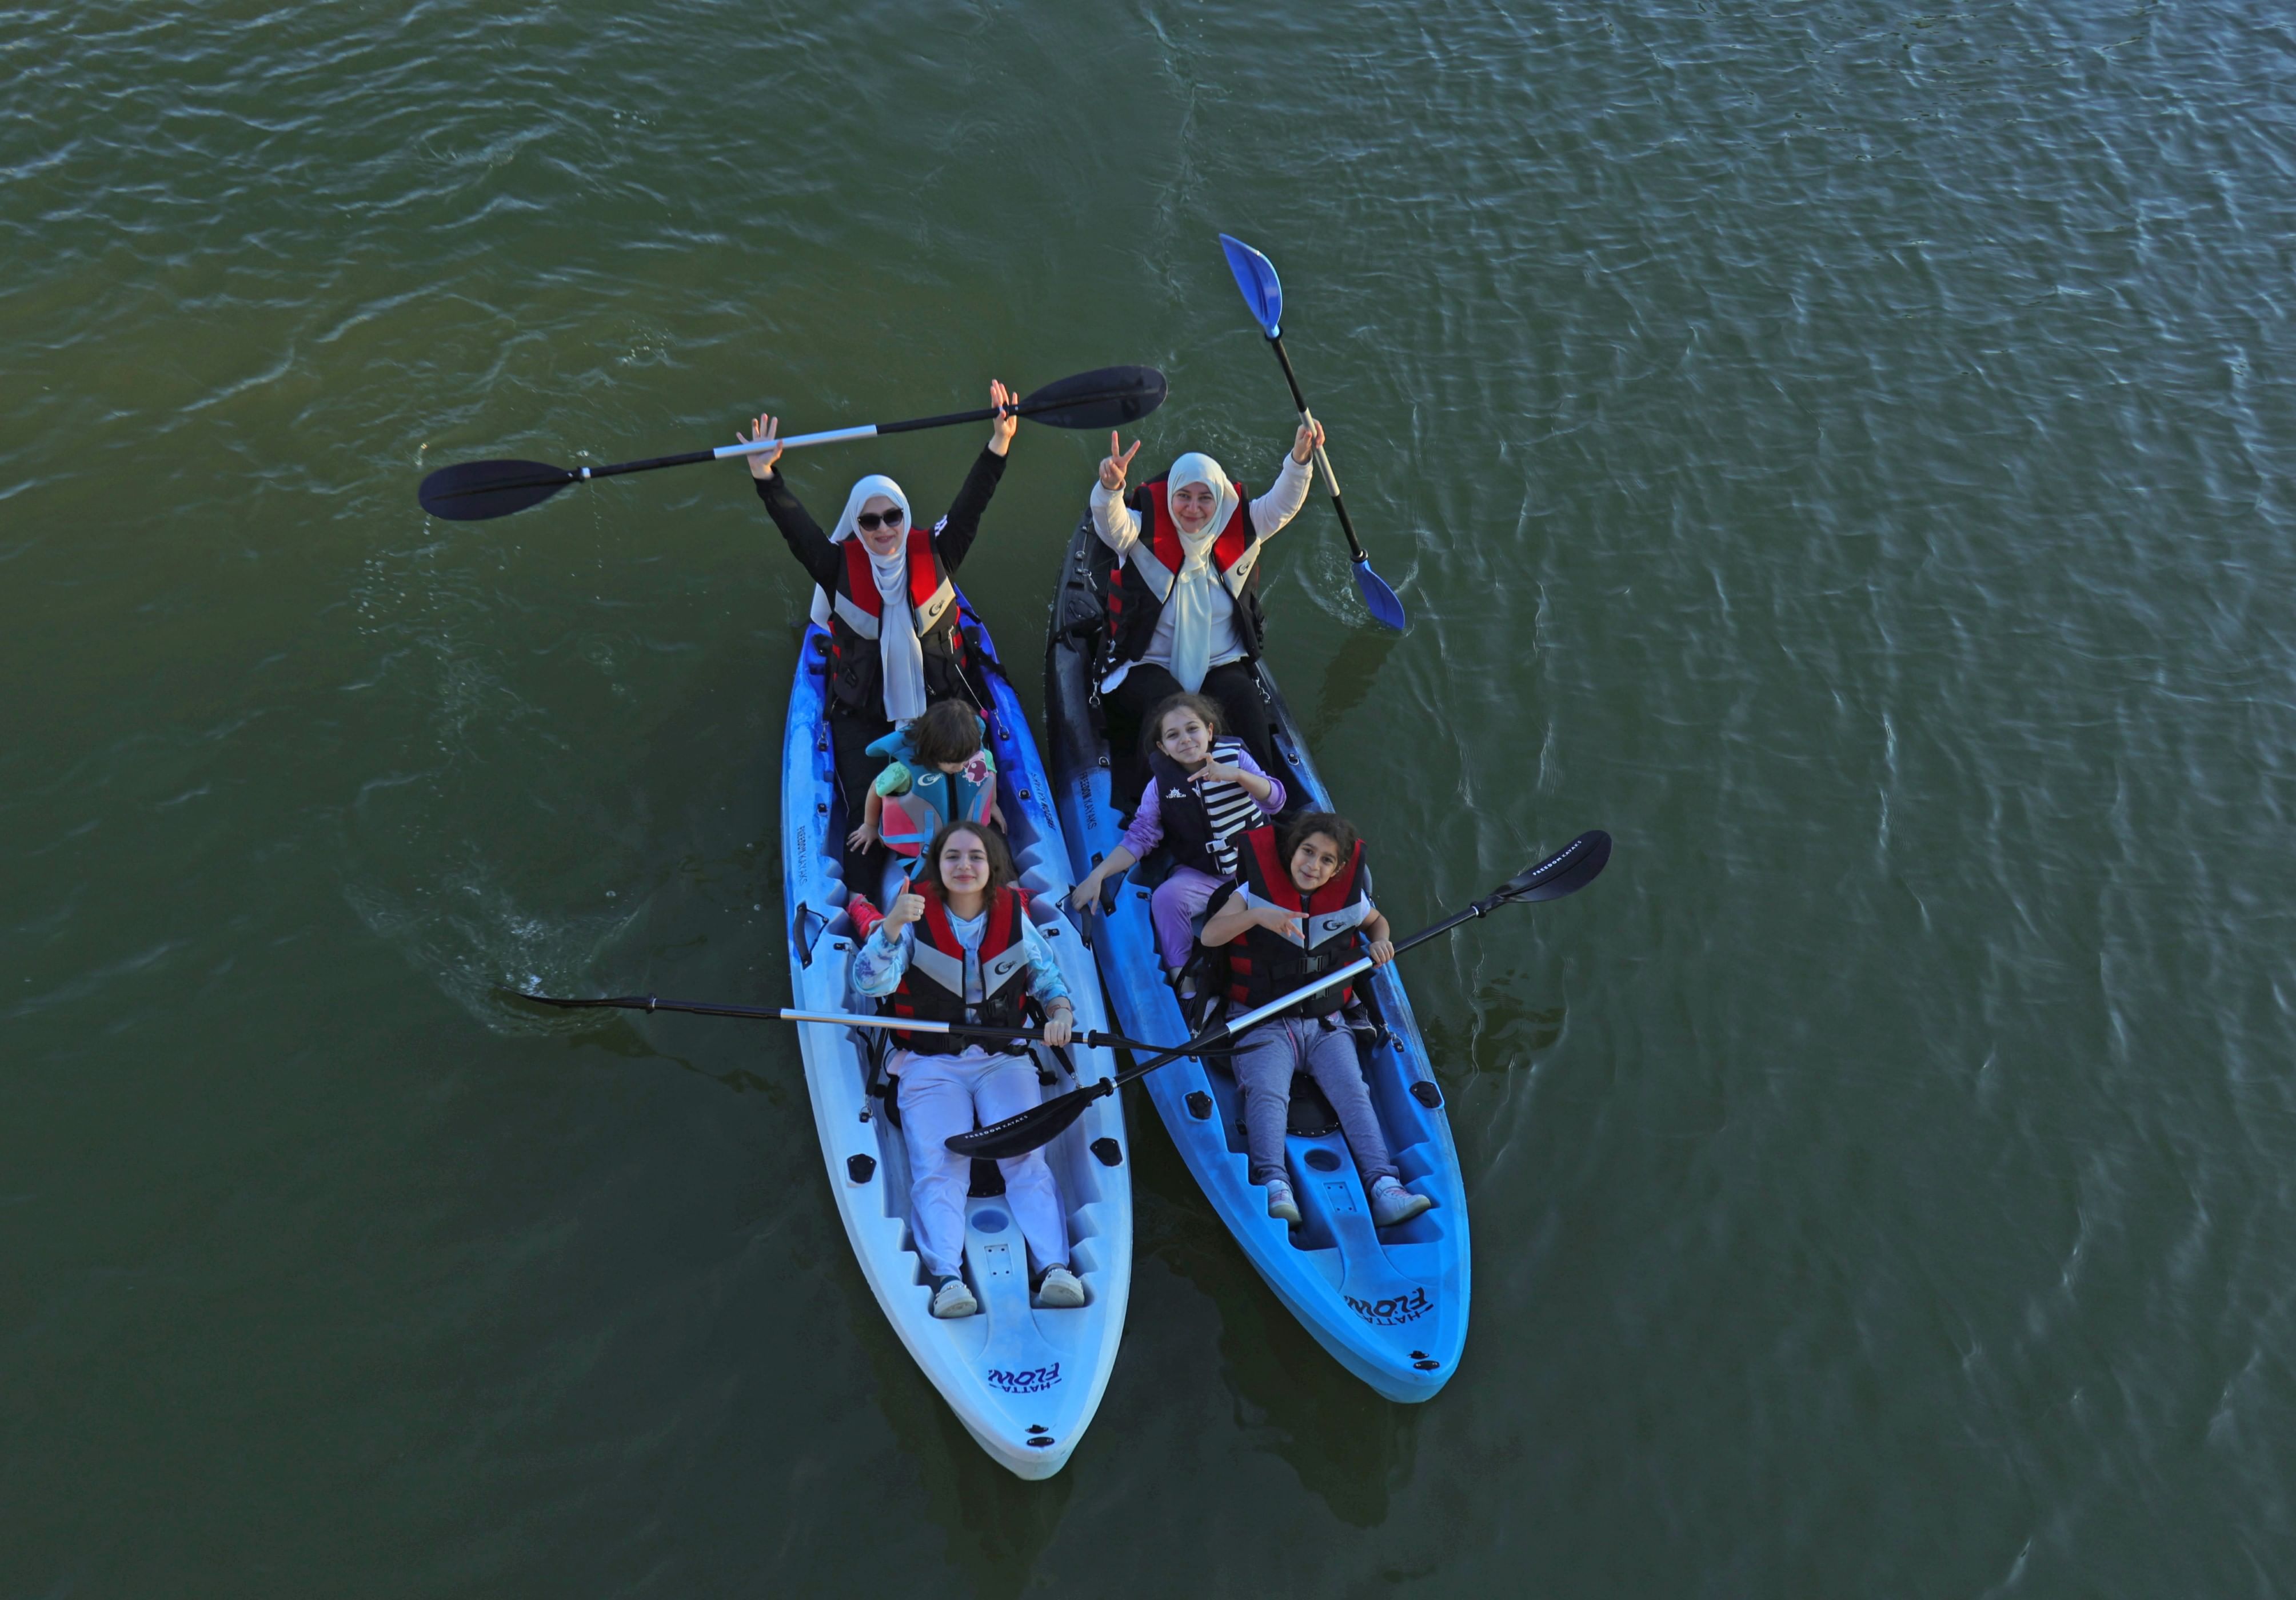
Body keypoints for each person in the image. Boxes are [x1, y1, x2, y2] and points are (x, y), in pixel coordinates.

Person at [742, 381, 1018, 895]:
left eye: (892, 516)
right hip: (862, 712)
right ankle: (867, 918)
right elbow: (794, 527)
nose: (883, 528)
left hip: (942, 705)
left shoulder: (939, 553)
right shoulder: (834, 566)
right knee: (861, 828)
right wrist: (766, 475)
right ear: (857, 526)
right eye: (870, 521)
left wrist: (999, 441)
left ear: (904, 516)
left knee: (970, 805)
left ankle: (993, 899)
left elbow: (972, 503)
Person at [849, 819, 1087, 1319]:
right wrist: (890, 927)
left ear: (991, 866)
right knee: (940, 1164)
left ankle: (1054, 1269)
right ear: (937, 865)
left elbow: (1046, 978)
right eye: (952, 857)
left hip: (1003, 1058)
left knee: (1024, 1158)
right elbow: (871, 985)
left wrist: (1062, 1012)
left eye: (975, 857)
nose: (964, 866)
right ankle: (948, 1278)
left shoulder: (1013, 917)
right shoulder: (913, 916)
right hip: (930, 1064)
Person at [1199, 810, 1433, 1230]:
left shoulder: (1349, 898)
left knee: (1353, 1093)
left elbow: (1376, 922)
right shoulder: (1253, 890)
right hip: (1261, 1020)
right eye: (1308, 852)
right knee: (1267, 1093)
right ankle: (1274, 1182)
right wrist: (1256, 916)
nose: (1313, 865)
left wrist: (1380, 943)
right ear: (1292, 850)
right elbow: (1210, 935)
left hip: (1326, 1023)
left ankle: (1384, 1186)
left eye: (1327, 860)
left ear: (1339, 869)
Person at [1089, 418, 1325, 799]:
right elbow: (1108, 522)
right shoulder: (1139, 532)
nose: (1193, 509)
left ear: (1219, 499)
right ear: (1170, 498)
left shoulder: (1244, 527)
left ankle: (1263, 798)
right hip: (1146, 662)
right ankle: (1160, 802)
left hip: (1219, 661)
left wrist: (1299, 460)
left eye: (1205, 498)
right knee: (1172, 711)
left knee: (1244, 700)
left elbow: (1283, 504)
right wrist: (1109, 487)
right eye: (1184, 496)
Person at [1067, 691, 1284, 971]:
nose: (1185, 739)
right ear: (1163, 747)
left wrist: (1241, 777)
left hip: (1258, 867)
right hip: (1205, 876)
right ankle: (1185, 980)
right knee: (1167, 898)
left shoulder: (1237, 760)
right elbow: (1140, 838)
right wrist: (1098, 875)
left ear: (1209, 731)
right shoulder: (1159, 787)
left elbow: (1276, 802)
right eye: (1173, 735)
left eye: (1192, 729)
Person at [850, 699, 1003, 878]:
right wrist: (870, 825)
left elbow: (990, 774)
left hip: (968, 842)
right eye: (954, 763)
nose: (961, 768)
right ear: (932, 751)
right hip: (921, 852)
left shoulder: (980, 757)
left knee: (997, 863)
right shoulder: (903, 772)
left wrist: (992, 804)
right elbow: (876, 789)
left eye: (965, 761)